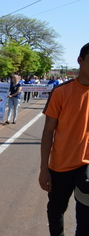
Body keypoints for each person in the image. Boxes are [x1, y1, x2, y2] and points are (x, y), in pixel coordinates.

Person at [39, 43, 89, 236]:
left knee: (85, 219)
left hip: (86, 165)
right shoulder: (61, 92)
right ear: (80, 61)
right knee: (55, 211)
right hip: (60, 166)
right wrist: (44, 169)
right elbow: (48, 131)